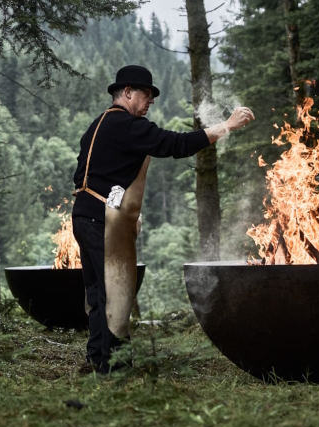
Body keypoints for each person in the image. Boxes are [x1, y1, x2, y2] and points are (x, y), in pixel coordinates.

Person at [71, 65, 254, 373]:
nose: (151, 101)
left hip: (83, 215)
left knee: (96, 292)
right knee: (115, 293)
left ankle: (96, 360)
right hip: (102, 221)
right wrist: (227, 126)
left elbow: (82, 174)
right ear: (127, 93)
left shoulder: (97, 124)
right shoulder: (129, 126)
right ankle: (113, 369)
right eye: (146, 94)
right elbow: (176, 144)